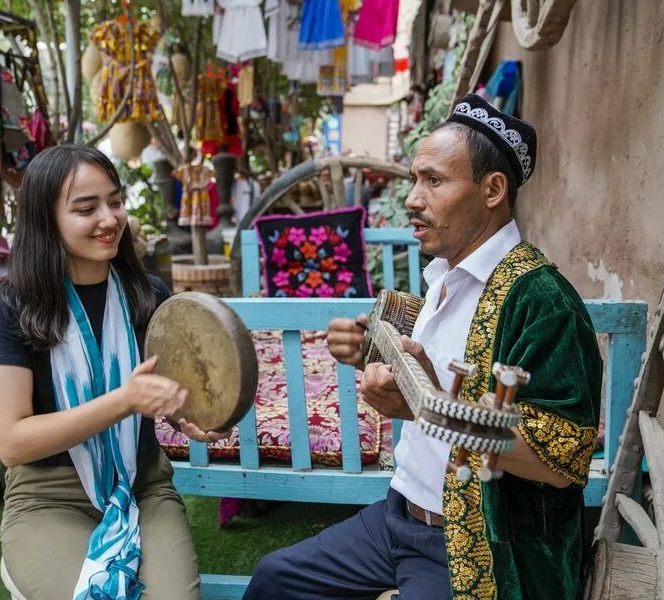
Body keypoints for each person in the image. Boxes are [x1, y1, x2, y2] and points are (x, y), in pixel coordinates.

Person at [244, 94, 602, 599]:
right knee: (275, 580)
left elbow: (562, 460)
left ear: (493, 189)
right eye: (415, 180)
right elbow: (430, 367)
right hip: (398, 518)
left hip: (479, 541)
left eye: (433, 181)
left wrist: (428, 409)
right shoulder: (445, 276)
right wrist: (368, 346)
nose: (413, 198)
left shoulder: (543, 301)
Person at [0, 144, 226, 600]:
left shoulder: (147, 295)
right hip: (49, 497)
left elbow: (165, 392)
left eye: (114, 201)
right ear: (45, 219)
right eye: (86, 208)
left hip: (142, 486)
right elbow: (12, 443)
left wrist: (189, 415)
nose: (109, 219)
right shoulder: (11, 306)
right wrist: (124, 401)